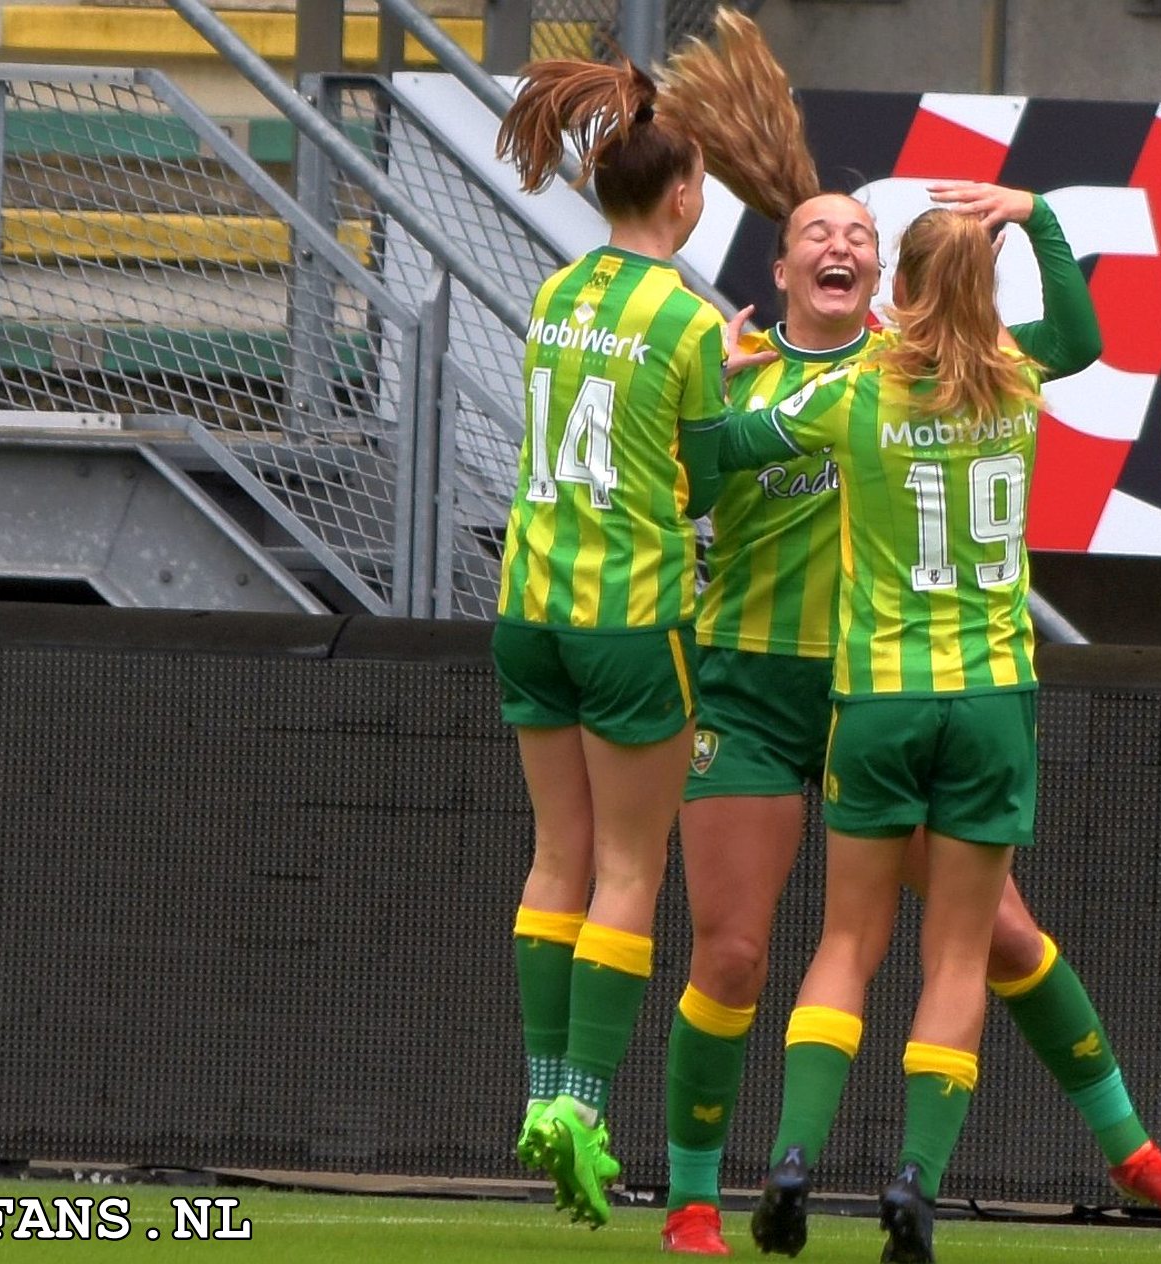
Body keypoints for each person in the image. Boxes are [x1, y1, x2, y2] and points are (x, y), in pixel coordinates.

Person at [650, 13, 1161, 1259]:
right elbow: (691, 481)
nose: (839, 240)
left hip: (872, 695)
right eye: (818, 231)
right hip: (767, 689)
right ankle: (697, 1193)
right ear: (786, 263)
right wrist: (720, 384)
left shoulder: (883, 380)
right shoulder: (750, 367)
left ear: (885, 278)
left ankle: (1133, 1151)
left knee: (995, 934)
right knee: (738, 950)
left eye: (861, 231)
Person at [490, 52, 728, 1230]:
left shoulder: (559, 291)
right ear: (680, 192)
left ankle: (540, 1091)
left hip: (528, 607)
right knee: (632, 870)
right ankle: (583, 1103)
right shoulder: (686, 319)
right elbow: (712, 469)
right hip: (630, 618)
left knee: (556, 856)